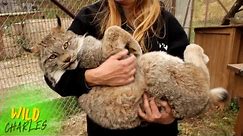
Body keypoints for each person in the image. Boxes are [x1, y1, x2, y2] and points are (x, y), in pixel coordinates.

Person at [45, 0, 189, 135]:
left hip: (158, 130)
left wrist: (171, 115)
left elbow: (186, 76)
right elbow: (52, 76)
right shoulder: (89, 17)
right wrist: (93, 77)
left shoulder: (165, 22)